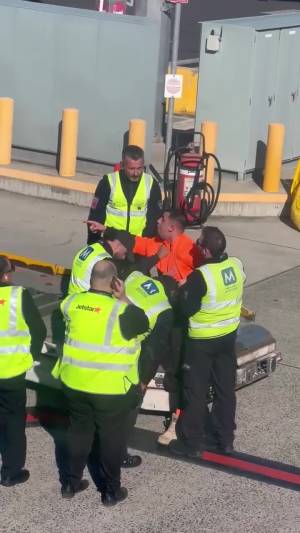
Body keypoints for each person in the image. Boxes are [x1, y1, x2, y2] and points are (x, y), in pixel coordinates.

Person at [52, 260, 149, 505]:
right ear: (115, 281)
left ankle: (70, 483)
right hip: (110, 389)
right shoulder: (121, 311)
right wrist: (124, 296)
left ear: (90, 279)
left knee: (78, 432)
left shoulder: (71, 303)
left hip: (74, 383)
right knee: (110, 440)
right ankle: (110, 491)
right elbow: (144, 323)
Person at [168, 226, 246, 458]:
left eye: (198, 243)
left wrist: (180, 292)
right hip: (227, 338)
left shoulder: (200, 276)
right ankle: (225, 440)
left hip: (202, 342)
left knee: (196, 391)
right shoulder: (236, 265)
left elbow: (186, 309)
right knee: (225, 390)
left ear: (205, 250)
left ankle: (192, 443)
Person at [0, 255, 46, 487]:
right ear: (6, 275)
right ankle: (10, 472)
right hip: (12, 374)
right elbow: (38, 330)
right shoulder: (18, 295)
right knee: (13, 422)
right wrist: (30, 358)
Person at [87, 209, 204, 282]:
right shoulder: (156, 243)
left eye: (162, 219)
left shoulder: (190, 250)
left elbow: (206, 274)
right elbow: (131, 240)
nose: (158, 221)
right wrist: (105, 229)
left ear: (171, 228)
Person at [87, 145, 162, 244]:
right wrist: (92, 243)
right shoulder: (108, 182)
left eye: (139, 168)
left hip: (138, 244)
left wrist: (145, 243)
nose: (136, 173)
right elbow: (96, 215)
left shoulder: (151, 184)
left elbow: (155, 218)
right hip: (111, 241)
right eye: (131, 169)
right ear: (122, 165)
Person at [68, 228, 132, 295]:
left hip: (73, 296)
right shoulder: (104, 261)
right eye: (126, 253)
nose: (124, 257)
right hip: (87, 300)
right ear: (120, 244)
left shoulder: (92, 248)